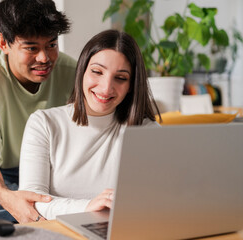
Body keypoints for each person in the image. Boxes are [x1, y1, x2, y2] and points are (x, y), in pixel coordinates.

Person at [0, 0, 76, 223]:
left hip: (54, 169)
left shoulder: (73, 72)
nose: (44, 58)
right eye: (31, 48)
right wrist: (9, 199)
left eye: (51, 45)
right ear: (4, 43)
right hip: (6, 171)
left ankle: (46, 204)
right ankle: (53, 208)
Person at [19, 29, 161, 220]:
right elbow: (33, 200)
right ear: (82, 71)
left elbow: (160, 201)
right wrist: (88, 207)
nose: (106, 88)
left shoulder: (147, 132)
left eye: (120, 78)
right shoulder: (44, 124)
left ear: (131, 86)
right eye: (97, 72)